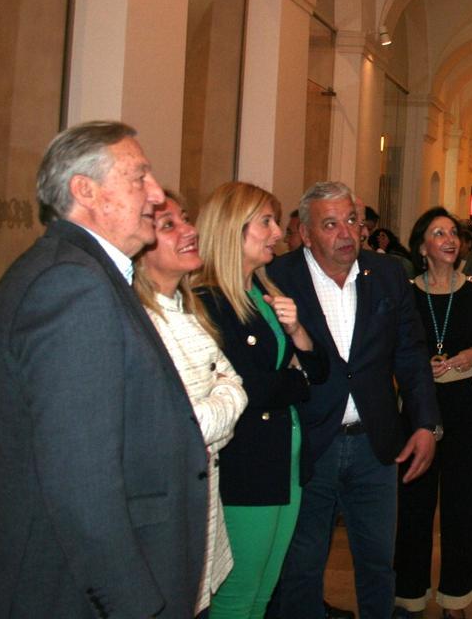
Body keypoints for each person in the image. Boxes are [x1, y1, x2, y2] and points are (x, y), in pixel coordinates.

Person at [0, 121, 209, 619]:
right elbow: (82, 480)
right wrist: (132, 603)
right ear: (85, 190)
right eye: (140, 177)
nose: (156, 195)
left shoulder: (84, 273)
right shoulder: (72, 286)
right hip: (69, 591)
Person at [266, 181, 440, 619]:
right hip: (308, 444)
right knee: (302, 567)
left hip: (375, 445)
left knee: (378, 563)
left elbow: (411, 353)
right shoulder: (277, 277)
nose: (347, 233)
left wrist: (424, 423)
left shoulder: (386, 274)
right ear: (305, 234)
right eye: (331, 224)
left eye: (352, 220)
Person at [194, 181, 330, 619]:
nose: (278, 231)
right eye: (266, 222)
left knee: (263, 592)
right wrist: (292, 381)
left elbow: (318, 369)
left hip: (284, 462)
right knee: (237, 596)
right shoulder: (210, 300)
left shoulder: (266, 293)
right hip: (246, 465)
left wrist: (297, 335)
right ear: (234, 228)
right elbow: (249, 387)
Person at [135, 191, 249, 617]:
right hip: (167, 512)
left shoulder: (191, 308)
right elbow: (176, 428)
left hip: (202, 502)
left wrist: (221, 399)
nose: (190, 231)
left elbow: (236, 386)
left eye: (185, 219)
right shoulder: (140, 321)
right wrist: (222, 401)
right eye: (170, 226)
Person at [394, 207, 472, 618]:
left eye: (453, 232)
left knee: (463, 502)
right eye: (439, 233)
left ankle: (457, 596)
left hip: (460, 405)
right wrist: (421, 367)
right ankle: (409, 594)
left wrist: (466, 357)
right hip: (418, 406)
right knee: (414, 501)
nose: (450, 239)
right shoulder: (407, 292)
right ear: (423, 246)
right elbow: (396, 347)